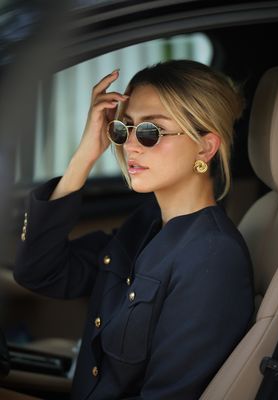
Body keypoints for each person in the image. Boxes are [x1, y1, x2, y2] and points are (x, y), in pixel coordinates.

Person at [14, 59, 254, 400]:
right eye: (123, 129)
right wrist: (85, 155)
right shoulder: (145, 224)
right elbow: (39, 271)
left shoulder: (212, 257)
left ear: (205, 147)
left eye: (150, 131)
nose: (130, 145)